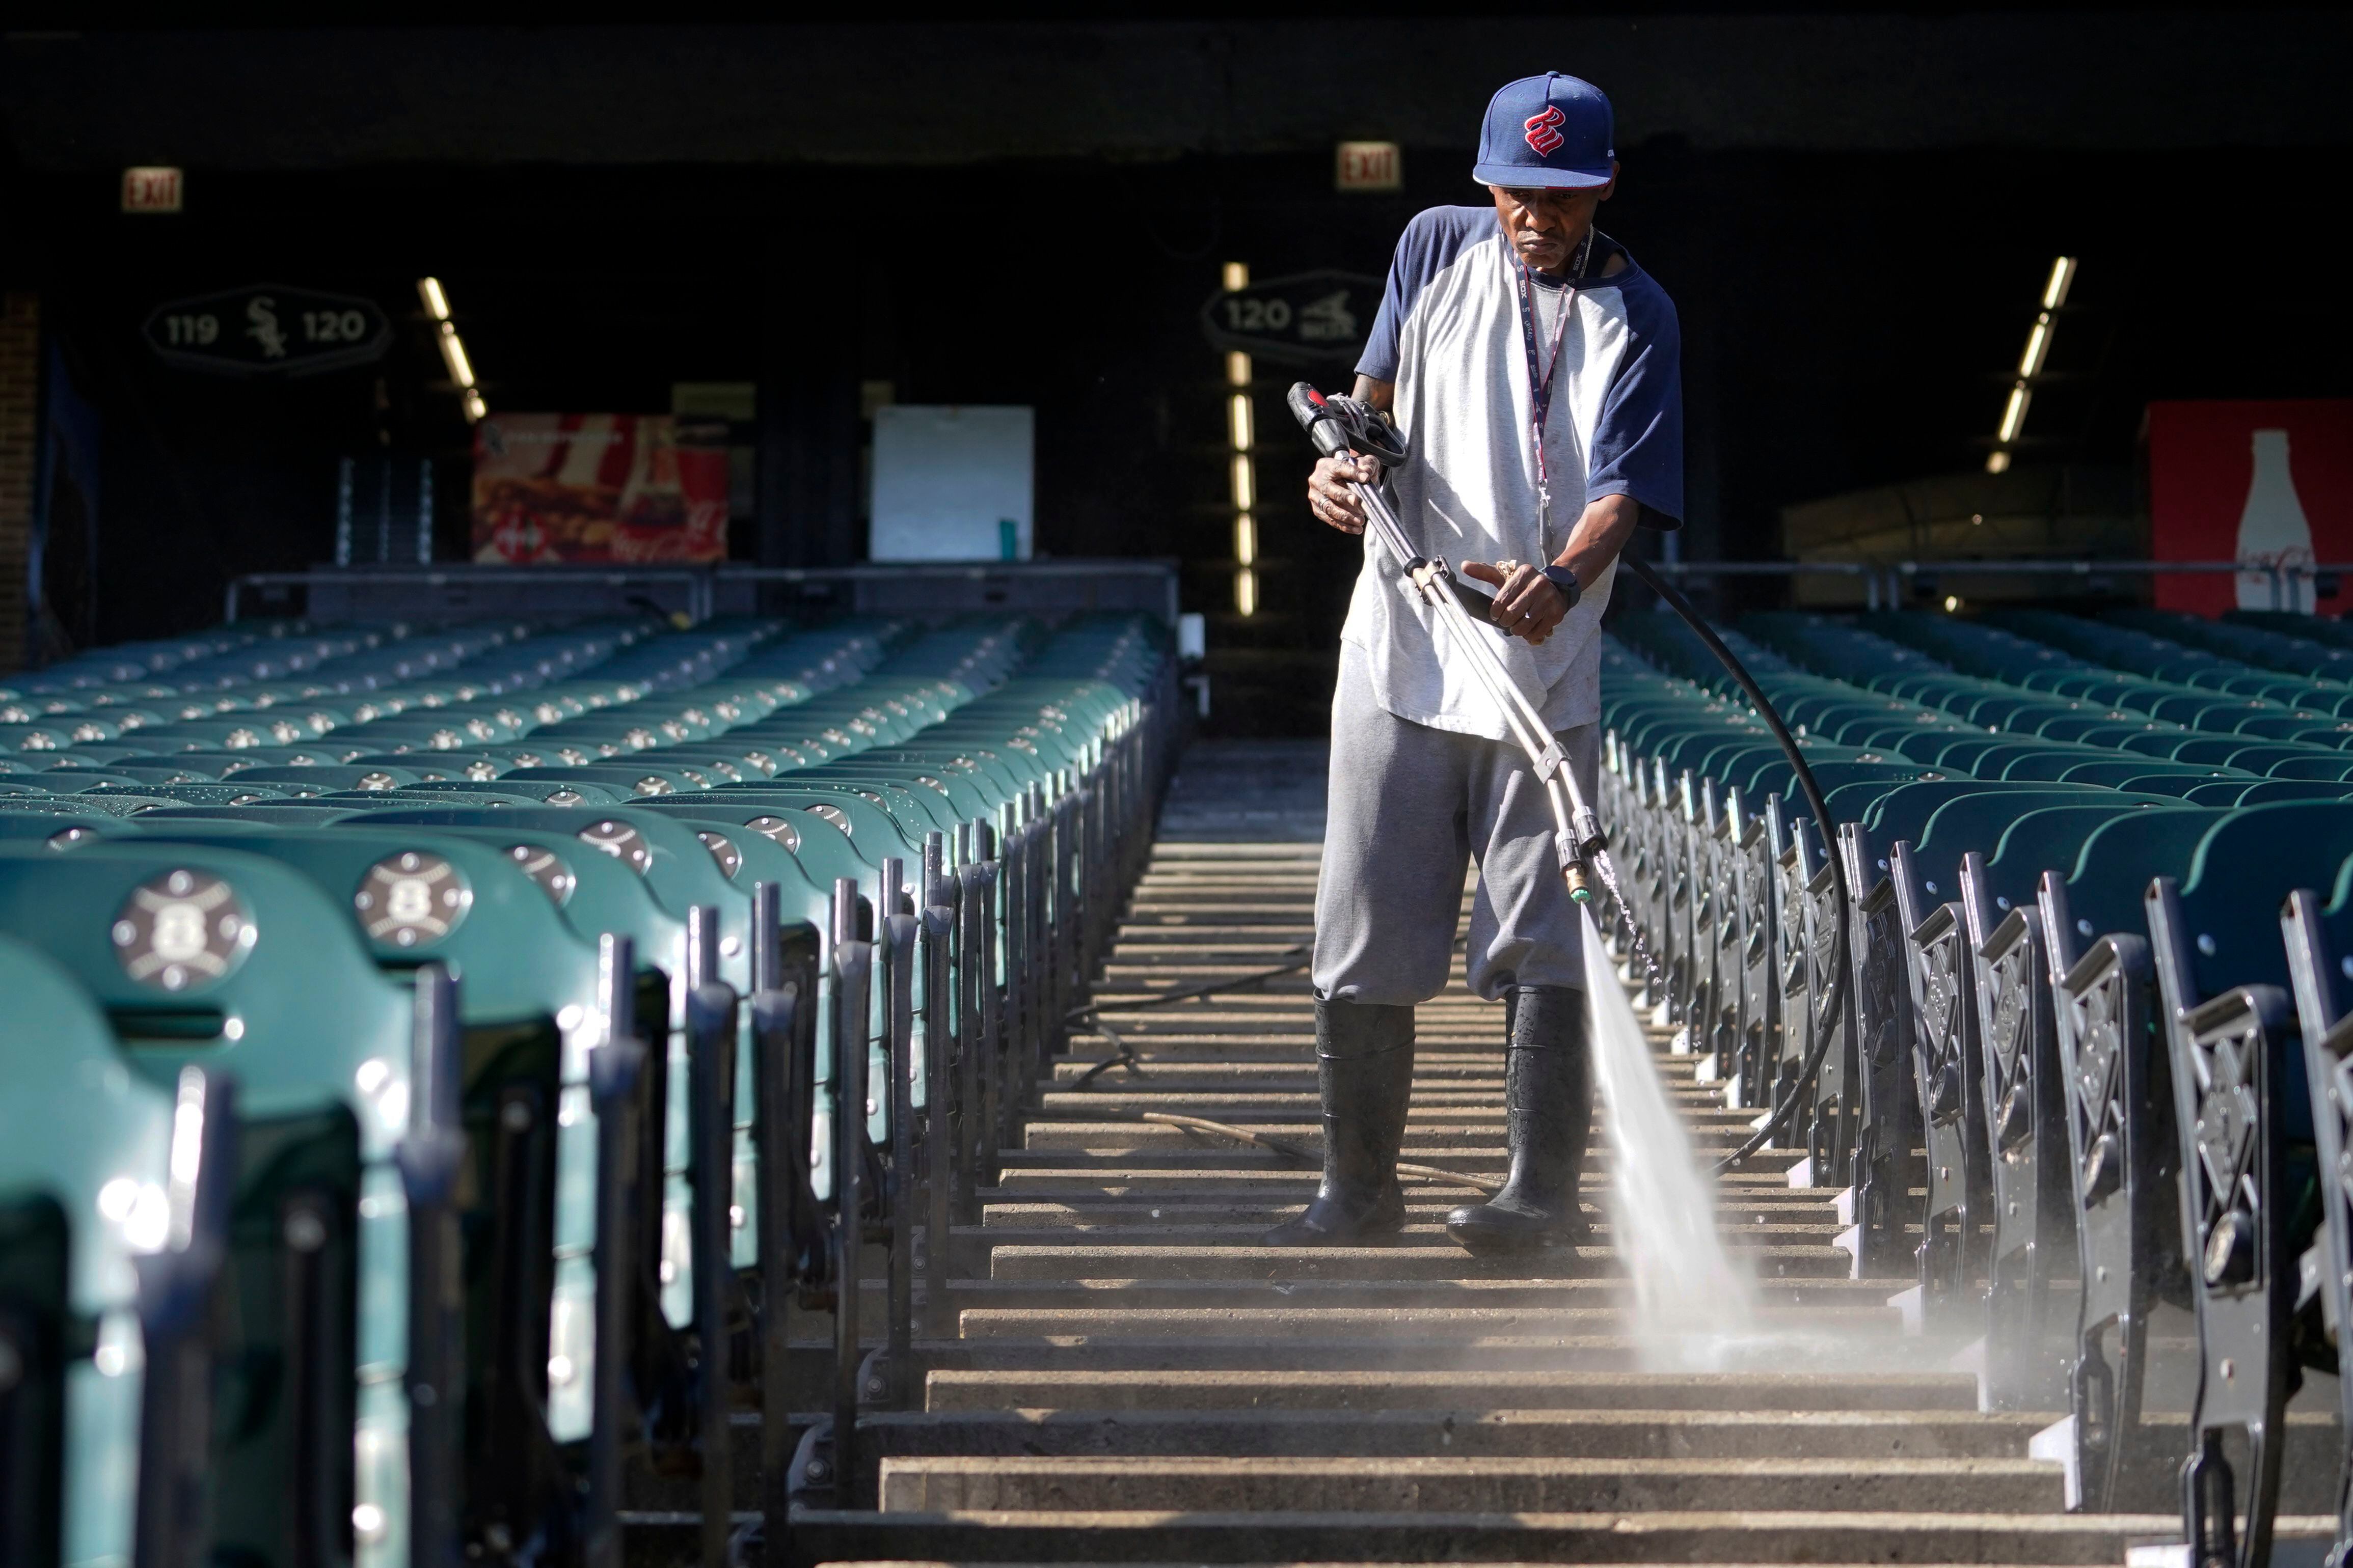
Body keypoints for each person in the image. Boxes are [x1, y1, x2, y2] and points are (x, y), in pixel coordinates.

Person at [1267, 72, 1683, 1254]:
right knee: (1363, 922)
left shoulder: (1637, 312)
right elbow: (1370, 408)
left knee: (1544, 930)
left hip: (1541, 661)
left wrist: (1561, 578)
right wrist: (1337, 471)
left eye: (1560, 196)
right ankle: (1360, 1191)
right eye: (1516, 192)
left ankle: (1539, 1199)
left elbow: (1622, 499)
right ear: (1487, 184)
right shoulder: (1433, 248)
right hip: (1402, 645)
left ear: (1601, 187)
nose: (1535, 217)